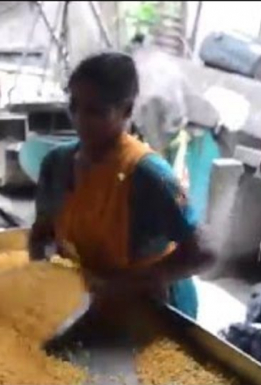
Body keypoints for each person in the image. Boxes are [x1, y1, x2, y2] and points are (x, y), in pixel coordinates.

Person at [29, 52, 215, 319]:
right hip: (92, 301)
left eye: (96, 111)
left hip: (152, 307)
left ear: (127, 110)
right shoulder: (56, 165)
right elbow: (41, 235)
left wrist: (129, 285)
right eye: (75, 106)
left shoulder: (147, 175)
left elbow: (205, 251)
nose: (80, 119)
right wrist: (46, 274)